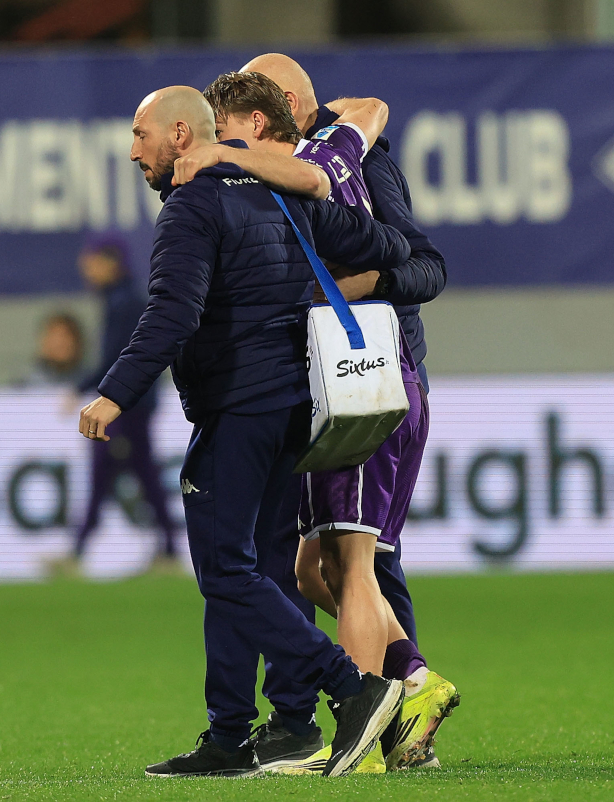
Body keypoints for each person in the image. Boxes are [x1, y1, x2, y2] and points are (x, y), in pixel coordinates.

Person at [77, 85, 413, 778]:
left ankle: (353, 690)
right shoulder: (279, 191)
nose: (131, 149)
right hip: (295, 408)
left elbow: (173, 314)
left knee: (225, 571)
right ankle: (242, 733)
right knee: (257, 568)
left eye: (139, 134)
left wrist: (113, 394)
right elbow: (383, 241)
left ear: (179, 136)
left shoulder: (192, 207)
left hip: (240, 408)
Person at [181, 56, 454, 772]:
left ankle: (362, 737)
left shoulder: (312, 164)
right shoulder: (325, 152)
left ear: (273, 119)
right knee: (313, 566)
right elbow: (367, 110)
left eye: (228, 129)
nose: (217, 141)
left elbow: (411, 256)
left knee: (354, 562)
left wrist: (350, 280)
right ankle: (413, 686)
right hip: (336, 381)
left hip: (365, 376)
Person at [52, 236, 180, 577]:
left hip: (127, 405)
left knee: (111, 476)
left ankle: (80, 552)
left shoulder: (125, 303)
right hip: (133, 403)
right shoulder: (122, 299)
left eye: (91, 264)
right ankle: (167, 549)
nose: (87, 271)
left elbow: (118, 359)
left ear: (111, 263)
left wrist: (81, 388)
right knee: (138, 477)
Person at [23, 311, 86, 387]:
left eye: (66, 336)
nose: (61, 342)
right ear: (44, 342)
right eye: (56, 337)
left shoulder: (94, 387)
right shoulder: (24, 389)